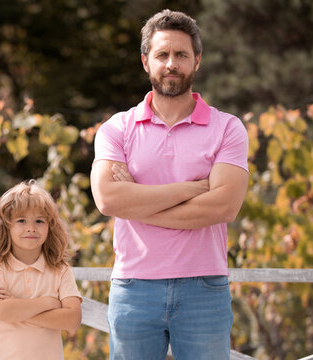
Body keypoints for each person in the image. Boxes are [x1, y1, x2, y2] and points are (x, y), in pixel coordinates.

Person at [90, 9, 250, 360]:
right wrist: (195, 189)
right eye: (162, 55)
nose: (171, 64)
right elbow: (108, 199)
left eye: (181, 54)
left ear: (197, 61)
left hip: (204, 288)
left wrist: (139, 203)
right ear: (146, 61)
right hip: (134, 288)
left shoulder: (228, 128)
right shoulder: (118, 129)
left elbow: (225, 207)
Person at [0, 180, 82, 360]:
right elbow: (0, 311)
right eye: (21, 220)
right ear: (6, 226)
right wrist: (49, 303)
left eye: (39, 221)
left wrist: (17, 311)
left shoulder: (60, 270)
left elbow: (72, 319)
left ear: (50, 226)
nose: (31, 228)